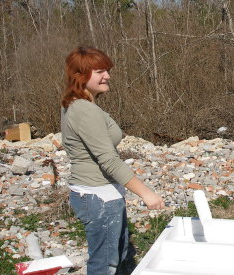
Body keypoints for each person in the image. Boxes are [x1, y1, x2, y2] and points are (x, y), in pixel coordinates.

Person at [61, 46, 165, 275]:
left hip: (101, 194)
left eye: (106, 70)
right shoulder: (84, 111)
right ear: (80, 76)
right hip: (98, 196)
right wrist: (146, 193)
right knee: (104, 265)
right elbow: (108, 160)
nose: (107, 76)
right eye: (99, 71)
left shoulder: (79, 106)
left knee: (115, 256)